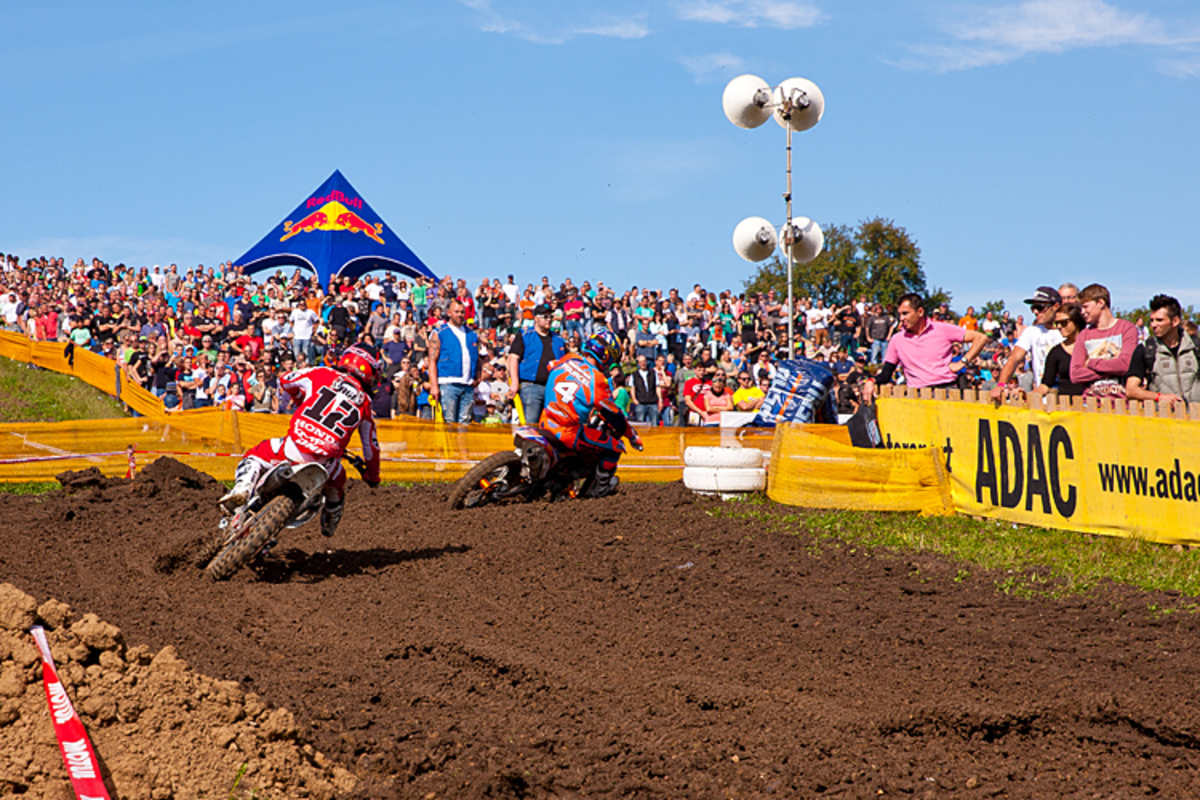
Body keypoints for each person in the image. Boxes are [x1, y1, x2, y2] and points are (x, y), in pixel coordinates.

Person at [218, 345, 381, 538]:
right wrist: (372, 476)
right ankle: (331, 517)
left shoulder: (322, 373)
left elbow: (286, 380)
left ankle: (242, 489)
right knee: (338, 483)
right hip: (325, 464)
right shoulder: (365, 404)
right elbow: (371, 447)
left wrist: (298, 399)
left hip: (294, 448)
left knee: (256, 454)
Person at [529, 330, 641, 497]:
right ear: (607, 356)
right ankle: (598, 491)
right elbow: (613, 413)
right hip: (568, 432)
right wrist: (631, 435)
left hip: (546, 420)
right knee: (615, 447)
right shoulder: (598, 380)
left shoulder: (569, 358)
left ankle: (561, 478)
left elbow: (550, 366)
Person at [877, 294, 988, 389]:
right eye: (900, 314)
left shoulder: (942, 329)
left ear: (920, 312)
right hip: (917, 394)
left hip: (947, 390)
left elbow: (981, 338)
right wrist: (871, 381)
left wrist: (962, 363)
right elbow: (886, 373)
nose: (901, 318)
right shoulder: (897, 339)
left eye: (905, 313)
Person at [988, 286, 1063, 402]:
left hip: (1071, 399)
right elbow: (1014, 359)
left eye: (1040, 307)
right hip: (1043, 400)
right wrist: (1001, 385)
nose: (1035, 312)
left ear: (1056, 306)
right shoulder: (1032, 331)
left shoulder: (1069, 331)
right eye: (1033, 308)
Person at [1125, 294, 1200, 407]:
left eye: (1159, 320)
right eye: (1151, 320)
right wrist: (1159, 397)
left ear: (1175, 321)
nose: (1153, 325)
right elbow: (1131, 390)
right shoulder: (1146, 349)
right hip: (1161, 416)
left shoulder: (1196, 347)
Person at [1069, 283, 1138, 398]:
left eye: (1086, 306)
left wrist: (1091, 363)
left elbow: (1125, 365)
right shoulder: (1083, 335)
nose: (1082, 312)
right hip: (1090, 402)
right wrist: (1112, 369)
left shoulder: (1126, 329)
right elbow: (1075, 374)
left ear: (1101, 303)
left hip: (1121, 401)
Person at [506, 303, 564, 425]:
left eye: (551, 317)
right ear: (536, 318)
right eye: (545, 317)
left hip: (553, 389)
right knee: (530, 424)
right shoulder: (525, 335)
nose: (549, 319)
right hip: (530, 386)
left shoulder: (558, 340)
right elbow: (513, 358)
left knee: (551, 426)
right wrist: (514, 383)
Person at [427, 299, 479, 423]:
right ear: (449, 313)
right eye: (456, 312)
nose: (460, 315)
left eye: (462, 312)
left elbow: (478, 358)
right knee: (449, 422)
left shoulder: (471, 334)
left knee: (465, 423)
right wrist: (434, 386)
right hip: (448, 383)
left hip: (468, 384)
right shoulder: (439, 332)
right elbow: (432, 361)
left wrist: (478, 377)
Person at [1034, 303, 1086, 398]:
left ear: (1077, 321)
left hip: (1093, 403)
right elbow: (1046, 384)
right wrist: (1028, 396)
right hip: (1065, 404)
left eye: (1063, 322)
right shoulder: (1055, 352)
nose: (1058, 326)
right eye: (1056, 323)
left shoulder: (1092, 346)